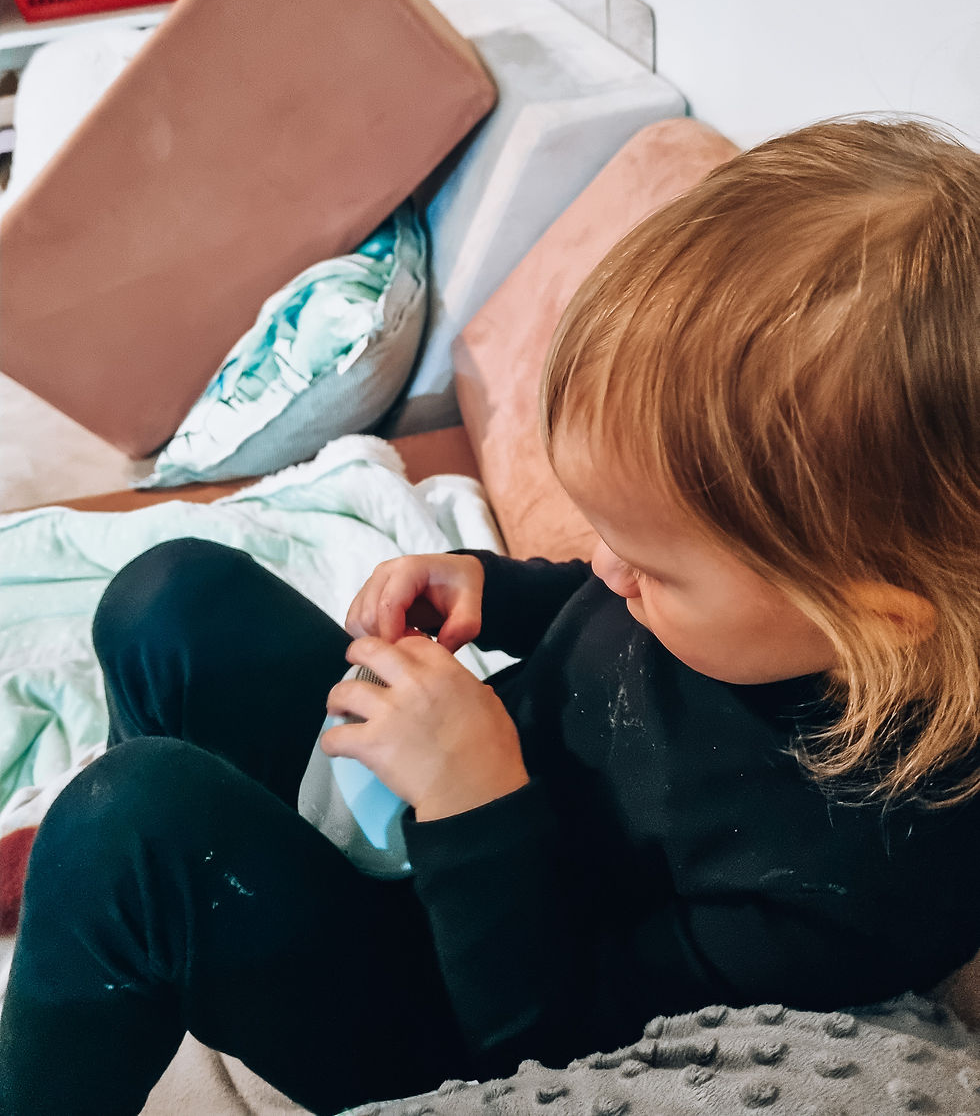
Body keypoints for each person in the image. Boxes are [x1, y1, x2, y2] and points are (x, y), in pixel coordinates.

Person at [2, 117, 980, 1116]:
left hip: (453, 996)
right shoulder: (755, 616)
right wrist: (489, 584)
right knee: (169, 595)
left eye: (650, 564)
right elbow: (599, 607)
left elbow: (551, 1041)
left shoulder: (868, 865)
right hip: (427, 806)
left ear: (871, 618)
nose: (607, 570)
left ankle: (122, 909)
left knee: (127, 821)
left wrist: (472, 802)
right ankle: (129, 922)